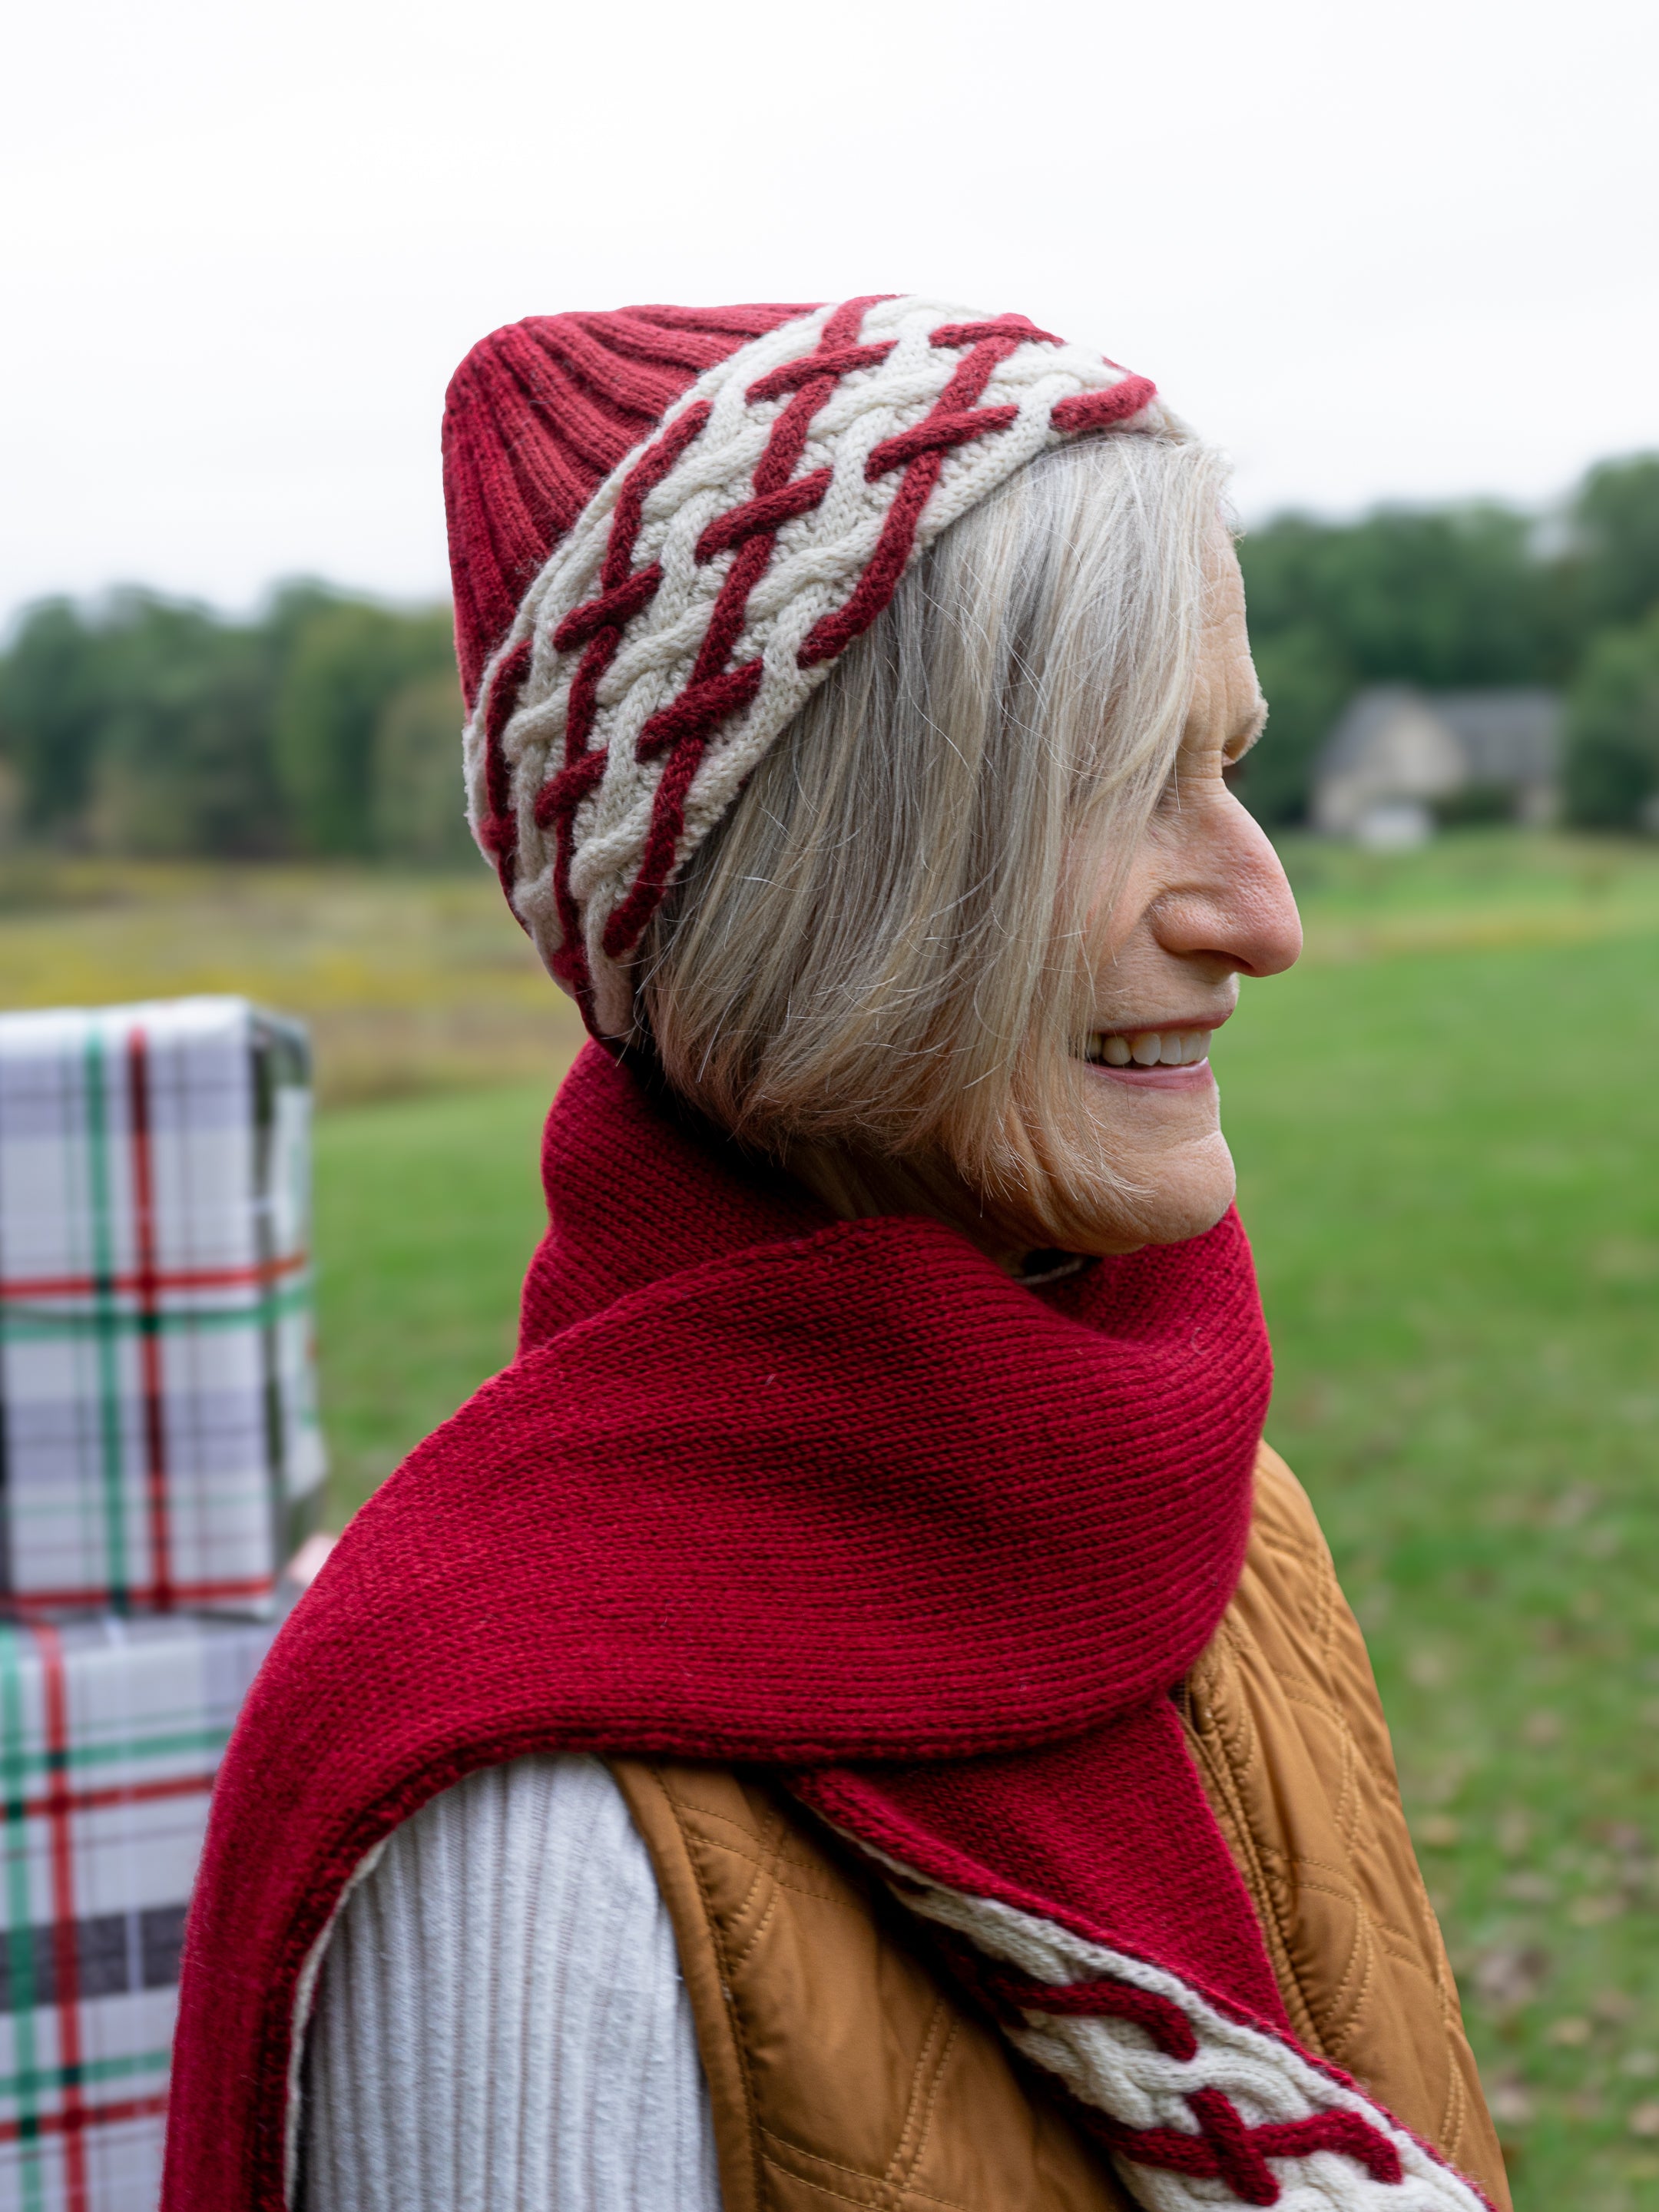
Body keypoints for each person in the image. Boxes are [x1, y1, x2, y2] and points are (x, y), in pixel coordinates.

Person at [164, 297, 1509, 2212]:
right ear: (831, 889)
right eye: (1124, 785)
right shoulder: (524, 1835)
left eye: (1233, 762)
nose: (1261, 912)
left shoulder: (1215, 1506)